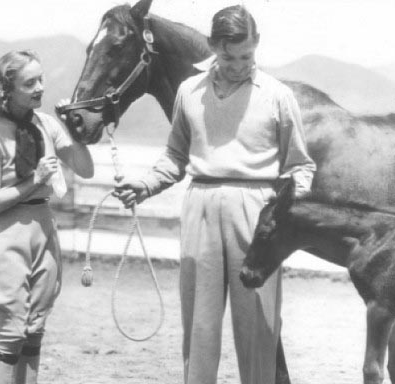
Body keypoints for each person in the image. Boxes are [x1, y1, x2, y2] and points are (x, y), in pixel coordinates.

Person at [113, 5, 316, 384]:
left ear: (257, 45)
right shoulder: (190, 91)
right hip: (200, 207)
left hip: (256, 212)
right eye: (228, 56)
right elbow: (176, 155)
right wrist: (145, 185)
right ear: (211, 46)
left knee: (259, 325)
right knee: (200, 324)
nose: (238, 64)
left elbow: (300, 166)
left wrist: (286, 208)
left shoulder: (277, 95)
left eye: (246, 56)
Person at [0, 50, 94, 384]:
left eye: (41, 79)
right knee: (11, 333)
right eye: (30, 82)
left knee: (35, 328)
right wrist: (35, 180)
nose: (41, 87)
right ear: (7, 90)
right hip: (7, 235)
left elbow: (85, 168)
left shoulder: (47, 125)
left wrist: (76, 131)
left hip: (44, 229)